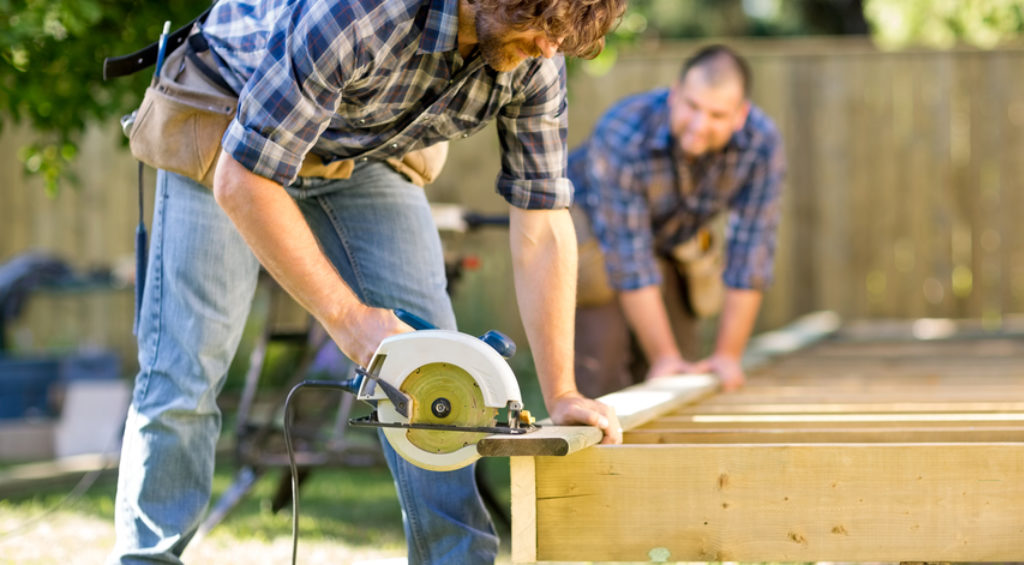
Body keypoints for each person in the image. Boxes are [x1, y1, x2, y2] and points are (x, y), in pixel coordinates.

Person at [108, 0, 625, 563]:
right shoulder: (359, 11)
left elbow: (544, 223)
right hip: (228, 120)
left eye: (561, 36)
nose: (550, 48)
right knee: (185, 370)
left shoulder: (538, 57)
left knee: (438, 373)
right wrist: (349, 320)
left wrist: (563, 392)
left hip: (358, 154)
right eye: (539, 28)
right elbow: (243, 179)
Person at [570, 45, 785, 398]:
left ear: (740, 115)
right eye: (693, 106)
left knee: (684, 373)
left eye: (717, 115)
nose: (700, 126)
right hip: (592, 231)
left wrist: (727, 357)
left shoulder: (761, 144)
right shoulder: (624, 131)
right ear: (674, 94)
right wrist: (663, 356)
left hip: (670, 236)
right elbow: (629, 256)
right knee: (605, 368)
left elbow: (752, 251)